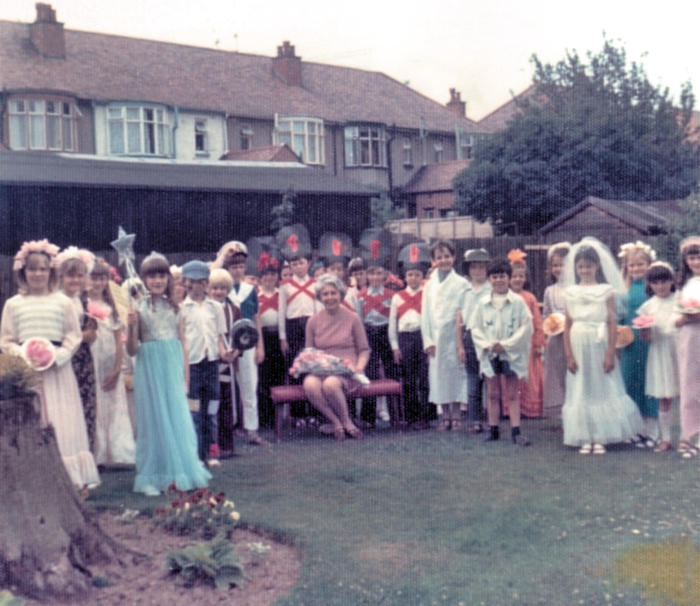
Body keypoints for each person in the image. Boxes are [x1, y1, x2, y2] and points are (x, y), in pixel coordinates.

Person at [1, 240, 100, 489]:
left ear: (50, 272)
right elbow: (6, 339)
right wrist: (24, 354)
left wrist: (58, 356)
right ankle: (33, 478)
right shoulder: (14, 304)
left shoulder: (62, 302)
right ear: (23, 272)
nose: (38, 274)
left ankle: (69, 479)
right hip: (27, 374)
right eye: (33, 269)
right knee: (35, 420)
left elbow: (73, 336)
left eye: (43, 269)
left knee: (61, 419)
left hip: (58, 372)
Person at [126, 252, 211, 495]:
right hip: (150, 369)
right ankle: (153, 474)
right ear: (143, 279)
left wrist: (185, 376)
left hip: (171, 369)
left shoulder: (176, 308)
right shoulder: (138, 308)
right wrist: (132, 327)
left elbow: (182, 344)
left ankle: (180, 469)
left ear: (168, 278)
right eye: (151, 276)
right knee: (154, 418)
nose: (157, 281)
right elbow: (132, 349)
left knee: (176, 416)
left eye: (161, 275)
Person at [561, 238, 643, 455]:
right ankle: (585, 436)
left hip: (600, 341)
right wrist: (568, 354)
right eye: (581, 266)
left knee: (601, 386)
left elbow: (611, 321)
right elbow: (567, 323)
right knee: (582, 387)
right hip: (578, 341)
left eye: (588, 265)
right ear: (576, 269)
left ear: (597, 266)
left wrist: (610, 353)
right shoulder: (570, 291)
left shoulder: (606, 290)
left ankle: (600, 436)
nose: (585, 270)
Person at [470, 259, 533, 446]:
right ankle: (493, 429)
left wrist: (506, 344)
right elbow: (475, 328)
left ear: (508, 278)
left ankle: (516, 431)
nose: (499, 280)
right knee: (492, 393)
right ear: (490, 279)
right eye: (495, 277)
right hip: (490, 353)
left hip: (509, 353)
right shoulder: (482, 303)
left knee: (513, 392)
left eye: (502, 276)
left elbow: (525, 327)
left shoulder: (518, 302)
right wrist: (488, 345)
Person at [303, 274, 370, 440]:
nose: (329, 297)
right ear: (320, 297)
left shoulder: (353, 318)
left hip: (346, 367)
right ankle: (336, 423)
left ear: (340, 294)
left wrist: (360, 367)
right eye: (325, 294)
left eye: (333, 293)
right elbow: (309, 351)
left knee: (331, 384)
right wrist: (313, 364)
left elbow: (364, 349)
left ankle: (347, 422)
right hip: (321, 367)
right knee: (310, 384)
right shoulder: (312, 321)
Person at [178, 260, 230, 466]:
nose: (197, 286)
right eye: (192, 282)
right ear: (186, 283)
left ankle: (212, 451)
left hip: (212, 364)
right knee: (195, 410)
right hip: (192, 366)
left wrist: (226, 352)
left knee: (211, 409)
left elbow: (220, 336)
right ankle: (197, 455)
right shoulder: (181, 309)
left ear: (206, 283)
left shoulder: (216, 307)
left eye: (201, 282)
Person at [218, 242, 268, 445]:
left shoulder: (251, 290)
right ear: (227, 268)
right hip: (227, 343)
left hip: (247, 343)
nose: (237, 270)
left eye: (240, 266)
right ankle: (229, 427)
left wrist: (260, 346)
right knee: (226, 387)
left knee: (249, 385)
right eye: (233, 266)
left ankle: (252, 429)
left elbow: (256, 318)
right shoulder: (221, 289)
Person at [88, 258, 135, 466]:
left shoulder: (112, 306)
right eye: (94, 278)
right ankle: (97, 453)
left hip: (110, 362)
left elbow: (118, 340)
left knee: (114, 405)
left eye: (102, 279)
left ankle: (118, 452)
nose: (98, 283)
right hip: (91, 363)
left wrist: (118, 368)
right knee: (96, 404)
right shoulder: (82, 305)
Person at [421, 240, 468, 430]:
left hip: (454, 336)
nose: (444, 260)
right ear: (433, 260)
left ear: (454, 257)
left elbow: (464, 311)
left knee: (456, 374)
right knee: (438, 375)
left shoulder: (462, 283)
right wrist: (428, 341)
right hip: (436, 337)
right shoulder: (429, 285)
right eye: (439, 258)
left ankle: (456, 415)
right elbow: (425, 314)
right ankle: (445, 415)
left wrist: (461, 342)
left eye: (447, 256)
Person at [57, 247, 98, 453]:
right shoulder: (56, 301)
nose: (75, 280)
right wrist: (83, 336)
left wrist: (92, 332)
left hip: (83, 359)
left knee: (87, 405)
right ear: (61, 277)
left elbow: (91, 332)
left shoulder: (85, 301)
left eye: (80, 276)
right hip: (65, 358)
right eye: (70, 276)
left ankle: (87, 455)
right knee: (66, 407)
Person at [618, 241, 658, 447]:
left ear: (649, 264)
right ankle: (633, 428)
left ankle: (651, 431)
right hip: (629, 345)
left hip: (649, 343)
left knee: (649, 383)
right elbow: (618, 317)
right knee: (630, 382)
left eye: (640, 264)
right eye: (631, 265)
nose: (635, 269)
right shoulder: (623, 290)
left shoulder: (653, 289)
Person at [637, 262, 679, 453]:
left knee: (692, 395)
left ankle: (690, 437)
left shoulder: (681, 299)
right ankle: (666, 438)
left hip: (681, 350)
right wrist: (644, 329)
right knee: (665, 396)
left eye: (664, 281)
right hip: (661, 353)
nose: (661, 286)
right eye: (656, 283)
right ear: (650, 285)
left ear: (672, 281)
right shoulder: (648, 306)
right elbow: (645, 339)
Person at [390, 242, 430, 430]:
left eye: (417, 274)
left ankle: (425, 416)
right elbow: (393, 325)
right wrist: (395, 346)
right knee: (408, 379)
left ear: (422, 276)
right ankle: (411, 416)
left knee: (424, 378)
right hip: (405, 339)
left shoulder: (428, 294)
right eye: (410, 274)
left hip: (423, 337)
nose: (413, 278)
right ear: (404, 277)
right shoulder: (397, 297)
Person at [456, 248, 492, 433]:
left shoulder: (492, 289)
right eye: (474, 267)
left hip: (488, 336)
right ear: (468, 270)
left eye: (481, 267)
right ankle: (475, 420)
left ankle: (493, 417)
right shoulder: (465, 291)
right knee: (472, 379)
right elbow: (459, 319)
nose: (478, 271)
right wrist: (460, 345)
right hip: (470, 337)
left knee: (491, 378)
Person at [207, 267, 241, 456]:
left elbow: (242, 333)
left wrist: (236, 351)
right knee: (212, 403)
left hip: (229, 360)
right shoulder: (205, 308)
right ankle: (212, 443)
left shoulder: (234, 310)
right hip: (211, 360)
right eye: (215, 288)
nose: (218, 292)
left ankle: (227, 444)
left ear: (228, 289)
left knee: (228, 403)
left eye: (222, 288)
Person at [507, 249, 545, 418]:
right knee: (509, 375)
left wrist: (538, 343)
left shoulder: (529, 298)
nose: (517, 279)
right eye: (514, 276)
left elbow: (537, 322)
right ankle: (509, 408)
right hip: (509, 342)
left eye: (521, 276)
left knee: (529, 375)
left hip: (527, 344)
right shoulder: (504, 296)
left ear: (525, 278)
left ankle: (529, 409)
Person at [674, 236, 700, 458]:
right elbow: (676, 309)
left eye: (699, 256)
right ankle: (688, 432)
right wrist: (679, 318)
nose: (696, 262)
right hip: (688, 337)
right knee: (688, 384)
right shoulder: (685, 284)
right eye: (692, 257)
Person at [542, 242, 570, 417]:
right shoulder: (549, 291)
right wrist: (551, 324)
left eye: (562, 264)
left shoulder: (574, 288)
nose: (559, 268)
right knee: (561, 377)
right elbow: (546, 314)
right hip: (556, 340)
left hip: (573, 337)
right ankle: (565, 413)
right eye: (555, 265)